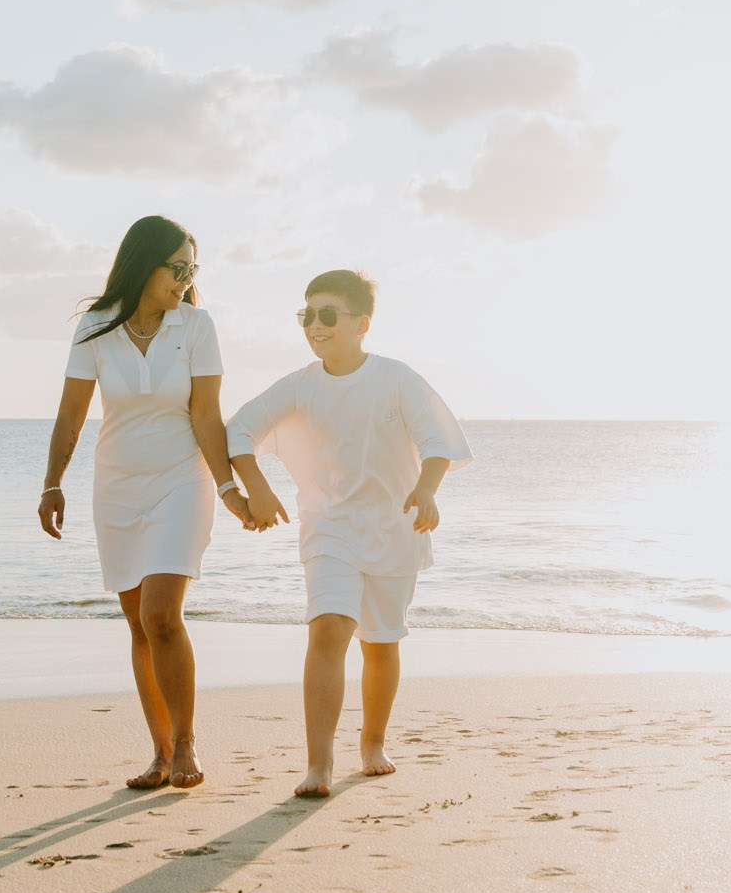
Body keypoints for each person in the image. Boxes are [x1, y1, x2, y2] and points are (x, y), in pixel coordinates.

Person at [38, 215, 268, 790]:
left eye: (193, 269)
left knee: (162, 614)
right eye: (178, 268)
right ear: (144, 264)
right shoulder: (96, 326)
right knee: (139, 625)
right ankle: (160, 752)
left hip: (181, 482)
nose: (187, 280)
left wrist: (229, 489)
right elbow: (71, 414)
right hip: (117, 487)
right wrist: (52, 483)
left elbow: (206, 414)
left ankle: (187, 741)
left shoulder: (196, 325)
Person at [225, 268, 470, 797]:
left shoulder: (396, 377)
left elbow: (437, 442)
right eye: (307, 315)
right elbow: (238, 430)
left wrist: (427, 490)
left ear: (361, 324)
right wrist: (255, 488)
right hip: (328, 526)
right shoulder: (299, 385)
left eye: (327, 315)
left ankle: (373, 743)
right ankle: (319, 765)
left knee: (380, 644)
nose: (315, 325)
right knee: (328, 629)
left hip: (395, 526)